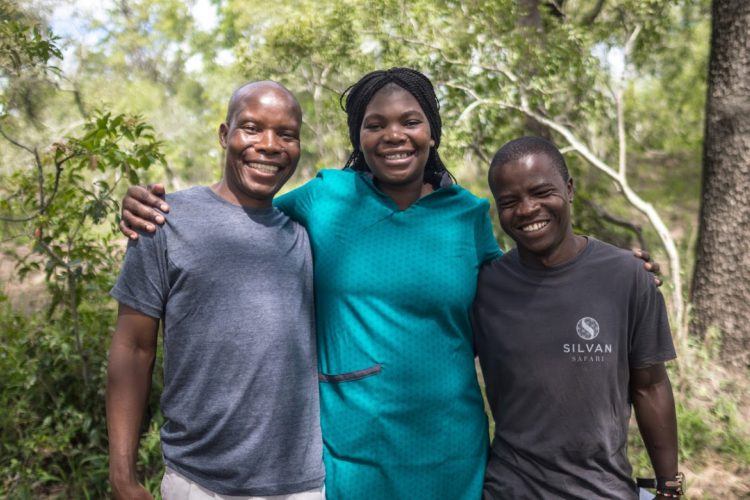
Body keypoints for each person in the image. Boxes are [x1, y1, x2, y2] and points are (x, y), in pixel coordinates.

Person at [118, 69, 660, 500]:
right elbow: (240, 211)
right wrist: (155, 207)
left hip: (449, 447)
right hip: (348, 449)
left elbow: (521, 283)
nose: (393, 135)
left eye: (411, 121)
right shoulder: (325, 197)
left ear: (432, 131)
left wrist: (607, 265)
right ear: (358, 135)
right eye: (375, 123)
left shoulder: (467, 214)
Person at [106, 81, 324, 499]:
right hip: (197, 482)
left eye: (286, 134)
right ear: (225, 135)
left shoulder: (308, 231)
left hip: (302, 485)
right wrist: (123, 476)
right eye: (251, 128)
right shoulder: (163, 222)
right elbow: (133, 349)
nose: (269, 145)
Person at [473, 136, 682, 499]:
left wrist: (668, 486)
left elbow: (650, 386)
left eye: (541, 192)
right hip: (509, 489)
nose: (526, 209)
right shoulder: (484, 287)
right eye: (509, 202)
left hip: (605, 490)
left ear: (569, 189)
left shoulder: (627, 276)